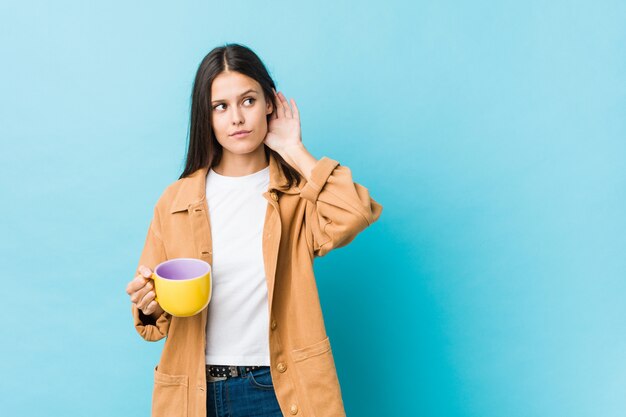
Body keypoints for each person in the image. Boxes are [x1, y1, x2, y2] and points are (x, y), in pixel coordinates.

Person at [125, 43, 383, 417]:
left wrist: (294, 149)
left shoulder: (297, 194)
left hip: (278, 389)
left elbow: (355, 212)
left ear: (269, 104)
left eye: (247, 100)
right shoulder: (175, 201)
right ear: (207, 117)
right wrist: (147, 303)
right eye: (221, 106)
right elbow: (156, 318)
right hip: (195, 394)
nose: (236, 118)